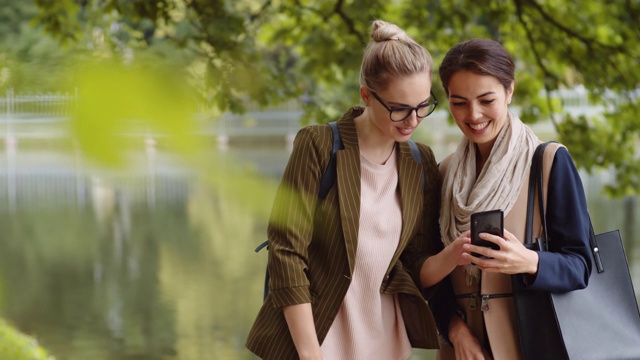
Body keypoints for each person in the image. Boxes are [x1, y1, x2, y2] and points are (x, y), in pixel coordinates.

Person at [246, 20, 461, 359]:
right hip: (317, 342)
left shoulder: (421, 162)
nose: (413, 120)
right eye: (399, 108)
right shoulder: (318, 145)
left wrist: (454, 254)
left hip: (387, 345)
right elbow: (286, 252)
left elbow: (415, 262)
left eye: (423, 106)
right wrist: (309, 353)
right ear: (366, 95)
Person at [434, 38, 593, 359]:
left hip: (531, 343)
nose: (473, 114)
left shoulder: (548, 161)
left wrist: (528, 261)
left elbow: (581, 265)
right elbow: (430, 270)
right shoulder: (445, 172)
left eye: (486, 99)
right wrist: (454, 330)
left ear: (509, 91)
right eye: (459, 102)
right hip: (463, 351)